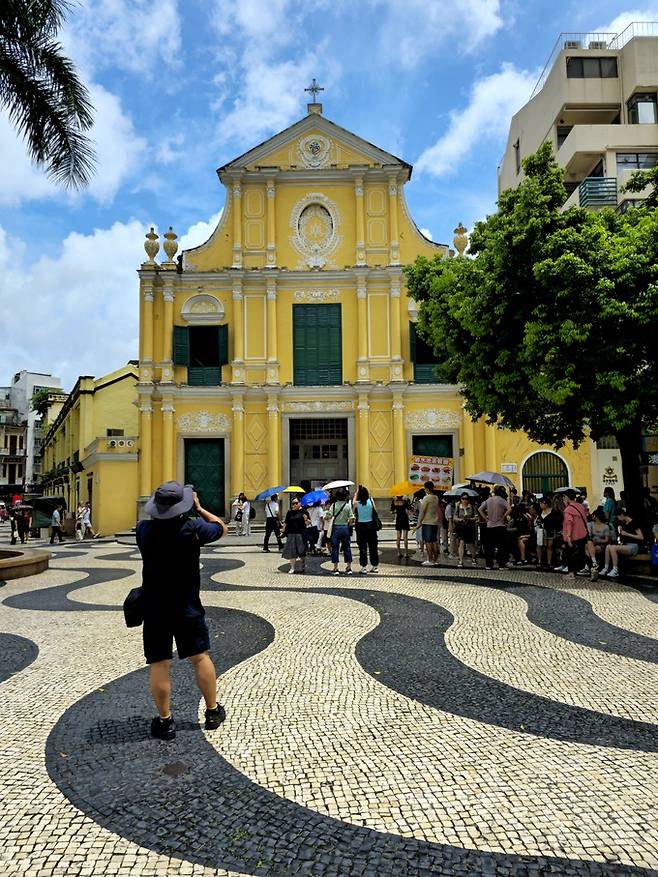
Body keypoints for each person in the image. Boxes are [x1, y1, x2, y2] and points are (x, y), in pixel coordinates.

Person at [136, 481, 227, 741]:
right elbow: (222, 528)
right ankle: (212, 711)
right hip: (187, 605)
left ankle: (165, 721)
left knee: (159, 663)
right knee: (200, 657)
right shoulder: (193, 528)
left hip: (155, 606)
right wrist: (199, 508)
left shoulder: (143, 529)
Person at [600, 509, 644, 578]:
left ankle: (615, 570)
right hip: (625, 545)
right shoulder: (623, 523)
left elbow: (641, 537)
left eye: (618, 517)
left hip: (634, 546)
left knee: (613, 548)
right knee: (608, 546)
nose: (618, 519)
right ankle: (606, 568)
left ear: (622, 515)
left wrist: (627, 534)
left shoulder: (634, 522)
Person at [561, 489, 593, 579]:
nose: (563, 498)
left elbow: (569, 523)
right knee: (582, 553)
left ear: (567, 497)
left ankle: (571, 573)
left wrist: (568, 536)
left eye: (564, 497)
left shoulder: (568, 510)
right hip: (582, 534)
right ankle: (593, 568)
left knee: (569, 554)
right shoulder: (580, 506)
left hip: (572, 536)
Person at [478, 486, 510, 570]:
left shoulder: (488, 500)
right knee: (501, 546)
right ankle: (501, 564)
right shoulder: (502, 500)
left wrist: (486, 518)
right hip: (500, 525)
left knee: (489, 546)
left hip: (490, 525)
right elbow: (509, 509)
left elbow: (480, 509)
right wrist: (503, 516)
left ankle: (489, 564)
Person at [326, 487, 354, 576]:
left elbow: (329, 515)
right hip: (345, 528)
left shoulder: (333, 505)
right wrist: (349, 524)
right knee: (347, 547)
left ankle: (335, 568)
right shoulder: (347, 506)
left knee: (335, 548)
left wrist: (327, 516)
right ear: (345, 496)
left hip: (336, 528)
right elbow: (351, 518)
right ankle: (349, 567)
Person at [353, 485, 379, 573]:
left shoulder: (356, 503)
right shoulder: (371, 500)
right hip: (371, 526)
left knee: (362, 547)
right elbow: (375, 511)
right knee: (373, 547)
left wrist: (355, 494)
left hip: (360, 526)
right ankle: (375, 566)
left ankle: (363, 567)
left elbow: (353, 510)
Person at [415, 481, 442, 566]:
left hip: (427, 522)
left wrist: (419, 523)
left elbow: (422, 511)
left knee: (428, 542)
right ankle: (435, 559)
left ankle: (430, 559)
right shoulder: (436, 498)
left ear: (427, 489)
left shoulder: (426, 498)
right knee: (434, 541)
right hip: (435, 521)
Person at [281, 497, 309, 574]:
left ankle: (303, 564)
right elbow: (286, 522)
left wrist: (306, 519)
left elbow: (308, 523)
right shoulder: (290, 512)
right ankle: (292, 567)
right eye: (293, 503)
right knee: (292, 551)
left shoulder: (304, 512)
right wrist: (283, 530)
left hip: (301, 534)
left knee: (301, 551)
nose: (294, 505)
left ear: (300, 503)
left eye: (296, 503)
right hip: (291, 534)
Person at [534, 496, 560, 569]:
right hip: (541, 531)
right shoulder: (540, 512)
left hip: (550, 530)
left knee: (549, 546)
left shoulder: (553, 512)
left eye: (541, 503)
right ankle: (539, 561)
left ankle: (549, 562)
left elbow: (556, 522)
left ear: (546, 504)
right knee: (539, 545)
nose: (540, 505)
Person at [453, 493, 478, 567]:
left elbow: (476, 517)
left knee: (471, 544)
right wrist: (461, 519)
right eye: (463, 499)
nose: (464, 500)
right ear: (460, 499)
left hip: (470, 526)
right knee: (461, 542)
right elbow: (455, 517)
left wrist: (469, 518)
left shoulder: (472, 507)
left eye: (466, 499)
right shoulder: (458, 507)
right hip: (461, 527)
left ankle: (473, 557)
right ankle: (461, 560)